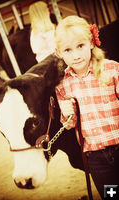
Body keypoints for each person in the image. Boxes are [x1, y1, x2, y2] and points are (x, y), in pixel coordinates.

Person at [54, 15, 119, 199]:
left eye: (80, 46)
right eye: (68, 50)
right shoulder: (62, 86)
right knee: (111, 195)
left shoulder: (112, 70)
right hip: (96, 157)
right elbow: (70, 124)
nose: (76, 55)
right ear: (59, 52)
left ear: (91, 42)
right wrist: (67, 116)